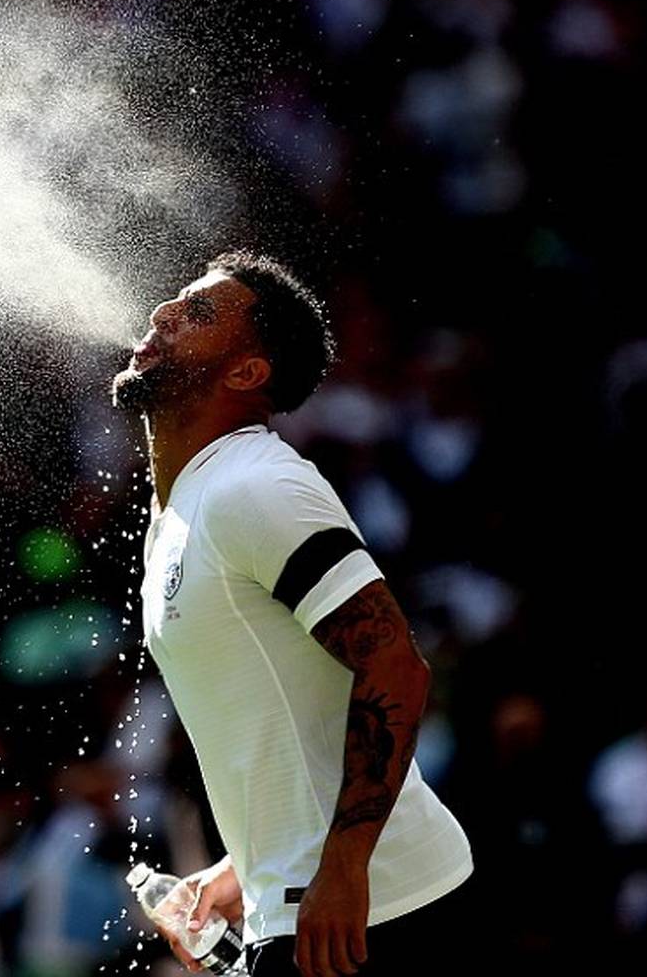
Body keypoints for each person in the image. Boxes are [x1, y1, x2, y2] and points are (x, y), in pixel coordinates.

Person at [111, 250, 474, 977]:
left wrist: (344, 865)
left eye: (199, 312)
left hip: (378, 910)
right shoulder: (184, 509)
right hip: (309, 903)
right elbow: (290, 717)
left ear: (247, 373)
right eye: (178, 299)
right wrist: (241, 869)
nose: (164, 312)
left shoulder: (257, 486)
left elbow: (395, 665)